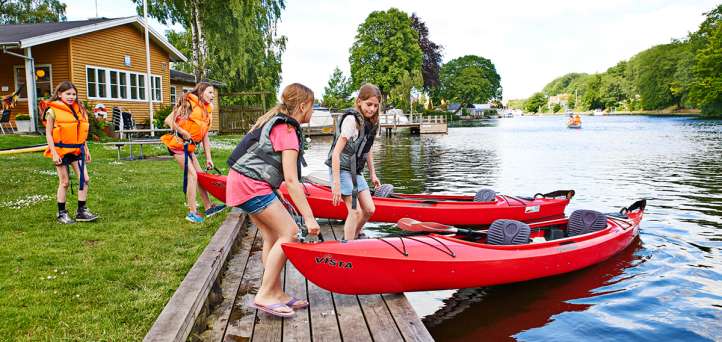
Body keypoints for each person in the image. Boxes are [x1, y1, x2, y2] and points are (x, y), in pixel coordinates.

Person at [226, 83, 320, 317]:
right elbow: (291, 179)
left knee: (272, 235)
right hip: (251, 184)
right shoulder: (288, 131)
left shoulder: (279, 122)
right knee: (290, 233)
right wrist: (309, 218)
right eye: (313, 106)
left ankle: (276, 292)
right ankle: (266, 294)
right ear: (302, 106)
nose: (313, 110)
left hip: (241, 181)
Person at [161, 82, 226, 223]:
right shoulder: (189, 104)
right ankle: (192, 212)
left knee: (200, 176)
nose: (212, 95)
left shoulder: (207, 110)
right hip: (177, 144)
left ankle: (209, 207)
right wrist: (183, 131)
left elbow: (205, 136)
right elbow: (168, 120)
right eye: (209, 92)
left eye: (213, 93)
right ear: (201, 92)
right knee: (192, 175)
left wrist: (209, 158)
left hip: (189, 148)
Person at [326, 83, 382, 240]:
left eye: (375, 106)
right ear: (359, 101)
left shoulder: (371, 123)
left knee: (370, 210)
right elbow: (336, 154)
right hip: (341, 168)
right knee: (354, 210)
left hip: (355, 171)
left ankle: (353, 236)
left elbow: (367, 149)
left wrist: (373, 174)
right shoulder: (351, 121)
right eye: (368, 104)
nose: (371, 109)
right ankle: (348, 246)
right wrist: (336, 184)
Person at [43, 81, 98, 224]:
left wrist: (86, 148)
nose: (71, 96)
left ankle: (81, 211)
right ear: (60, 94)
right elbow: (48, 134)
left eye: (74, 94)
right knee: (65, 182)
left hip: (76, 149)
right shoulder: (52, 111)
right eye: (68, 94)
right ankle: (62, 213)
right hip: (60, 150)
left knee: (85, 179)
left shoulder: (79, 109)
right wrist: (54, 153)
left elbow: (81, 131)